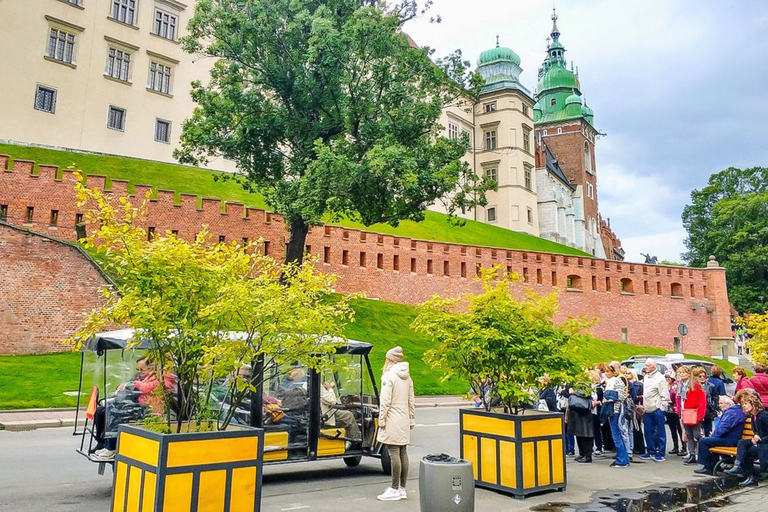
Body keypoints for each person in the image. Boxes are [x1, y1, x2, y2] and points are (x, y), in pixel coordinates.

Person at [376, 347, 415, 502]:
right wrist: (412, 418)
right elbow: (411, 400)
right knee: (403, 452)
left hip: (392, 417)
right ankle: (402, 488)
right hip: (404, 417)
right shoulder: (408, 377)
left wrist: (382, 419)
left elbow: (384, 401)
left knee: (393, 452)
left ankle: (393, 488)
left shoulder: (389, 376)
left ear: (390, 359)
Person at [693, 395, 747, 475]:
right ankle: (713, 465)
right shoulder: (734, 411)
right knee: (709, 441)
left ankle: (708, 467)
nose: (719, 405)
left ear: (728, 404)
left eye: (721, 403)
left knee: (704, 441)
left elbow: (723, 428)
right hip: (732, 438)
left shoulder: (731, 412)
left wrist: (713, 436)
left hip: (731, 440)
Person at [725, 392, 768, 486]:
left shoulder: (763, 415)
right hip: (761, 444)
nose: (744, 406)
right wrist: (756, 436)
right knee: (743, 443)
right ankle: (741, 468)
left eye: (746, 404)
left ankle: (750, 475)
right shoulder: (754, 416)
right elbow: (757, 431)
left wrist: (760, 439)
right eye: (742, 404)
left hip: (765, 445)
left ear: (753, 403)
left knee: (746, 451)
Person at [640, 358, 669, 462]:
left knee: (660, 431)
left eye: (647, 365)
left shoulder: (660, 378)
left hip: (657, 408)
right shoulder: (646, 377)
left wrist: (662, 407)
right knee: (648, 431)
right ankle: (651, 450)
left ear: (653, 366)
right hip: (647, 409)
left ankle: (661, 452)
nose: (645, 367)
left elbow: (664, 394)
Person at [604, 361, 630, 468]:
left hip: (616, 410)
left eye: (608, 371)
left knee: (617, 435)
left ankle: (622, 460)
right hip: (611, 410)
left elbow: (621, 396)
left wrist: (609, 396)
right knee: (617, 435)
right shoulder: (610, 381)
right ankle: (624, 458)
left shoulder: (618, 380)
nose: (606, 373)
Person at [681, 367, 708, 465]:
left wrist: (700, 415)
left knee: (696, 434)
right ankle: (692, 454)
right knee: (689, 434)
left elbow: (702, 402)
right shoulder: (685, 386)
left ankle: (701, 452)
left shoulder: (696, 387)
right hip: (687, 412)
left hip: (694, 413)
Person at [566, 382, 599, 463]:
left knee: (585, 435)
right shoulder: (574, 381)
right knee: (578, 434)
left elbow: (586, 394)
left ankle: (587, 455)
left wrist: (574, 392)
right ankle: (582, 453)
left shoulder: (584, 382)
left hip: (584, 414)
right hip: (576, 413)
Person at [675, 366, 692, 458]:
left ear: (689, 374)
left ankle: (695, 452)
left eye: (683, 372)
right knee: (686, 432)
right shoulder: (680, 384)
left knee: (694, 433)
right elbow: (678, 398)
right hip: (682, 410)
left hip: (690, 411)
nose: (681, 374)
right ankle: (690, 452)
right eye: (679, 373)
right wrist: (679, 410)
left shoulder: (692, 384)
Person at [665, 371, 684, 455]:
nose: (667, 379)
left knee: (680, 429)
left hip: (676, 409)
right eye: (666, 377)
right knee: (672, 429)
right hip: (668, 409)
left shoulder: (676, 385)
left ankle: (684, 447)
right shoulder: (666, 385)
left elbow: (676, 396)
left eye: (669, 377)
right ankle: (675, 447)